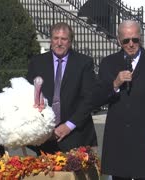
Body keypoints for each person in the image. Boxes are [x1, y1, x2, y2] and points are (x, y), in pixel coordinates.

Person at [93, 20, 145, 180]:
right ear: (119, 40)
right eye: (126, 40)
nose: (131, 44)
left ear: (141, 38)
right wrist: (115, 84)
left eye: (135, 39)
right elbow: (96, 100)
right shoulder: (108, 63)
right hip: (117, 138)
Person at [26, 22, 98, 155]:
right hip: (46, 136)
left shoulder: (84, 63)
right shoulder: (37, 62)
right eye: (55, 38)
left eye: (63, 39)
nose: (59, 43)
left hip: (76, 135)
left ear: (70, 42)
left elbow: (89, 99)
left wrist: (69, 125)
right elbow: (28, 95)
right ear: (51, 40)